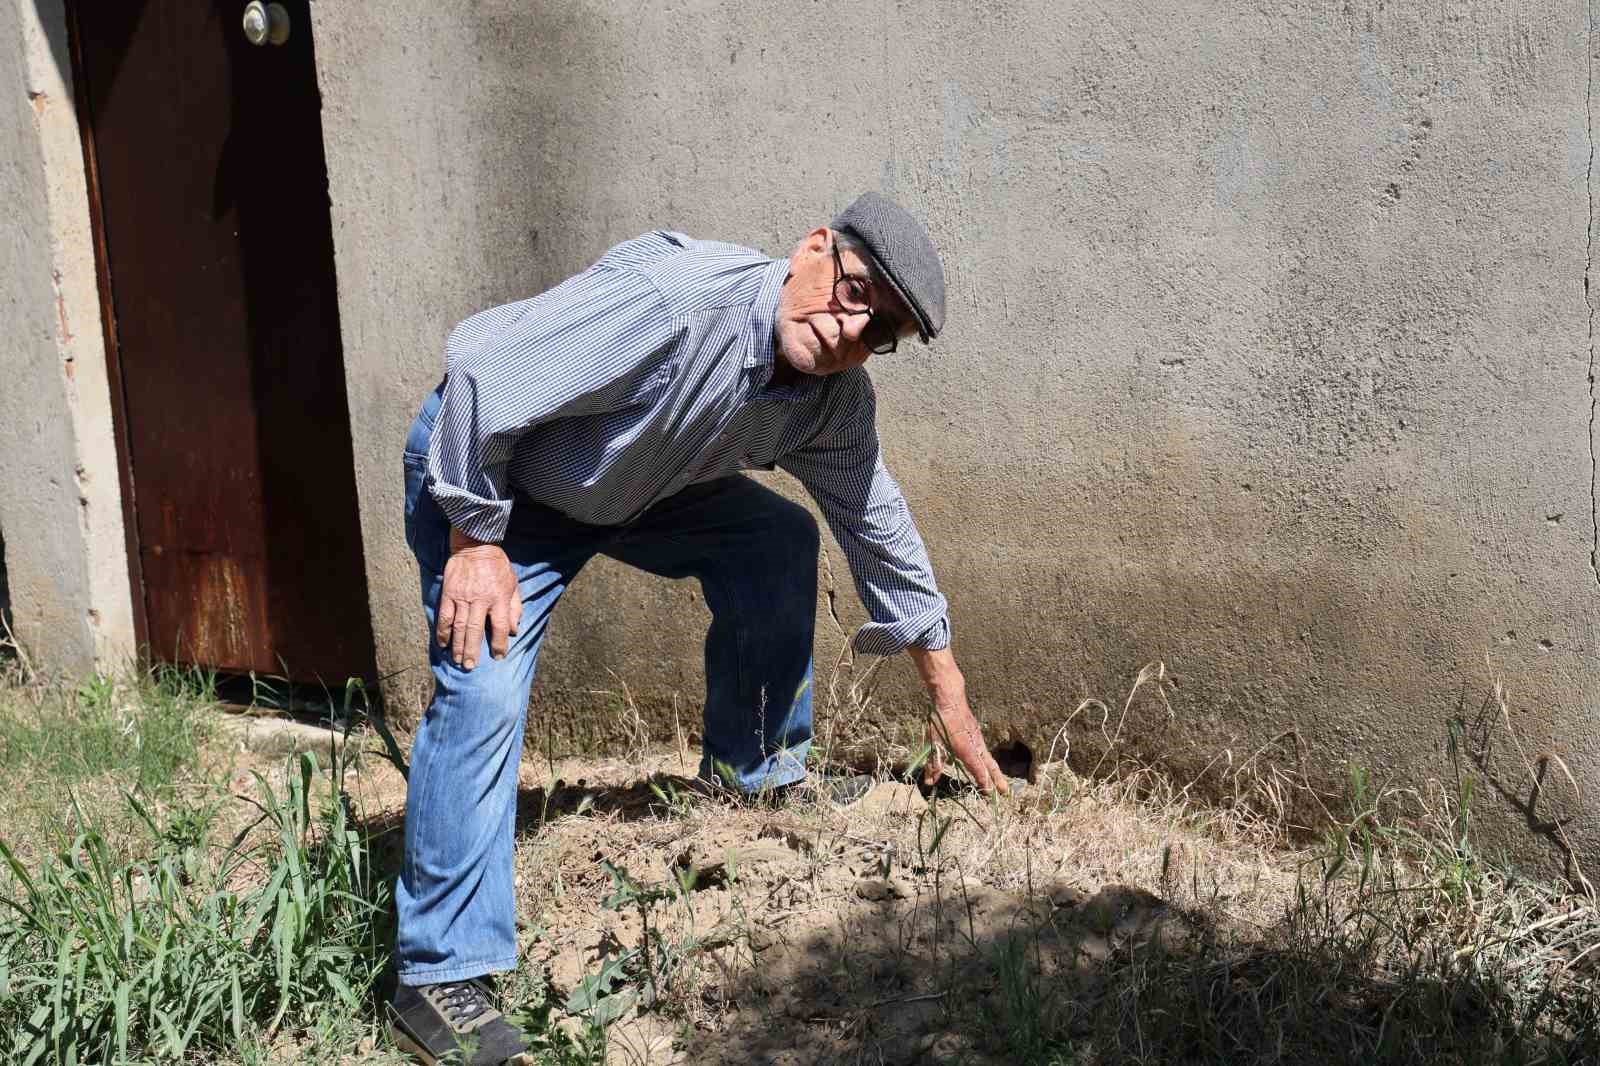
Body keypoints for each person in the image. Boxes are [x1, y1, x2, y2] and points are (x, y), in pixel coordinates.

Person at [388, 192, 1008, 1065]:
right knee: (484, 676)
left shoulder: (831, 402)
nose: (849, 329)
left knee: (774, 539)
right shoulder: (680, 306)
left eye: (878, 332)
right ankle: (438, 973)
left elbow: (878, 526)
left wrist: (947, 694)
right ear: (815, 249)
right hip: (495, 480)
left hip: (630, 486)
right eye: (855, 290)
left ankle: (753, 772)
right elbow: (485, 372)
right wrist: (474, 539)